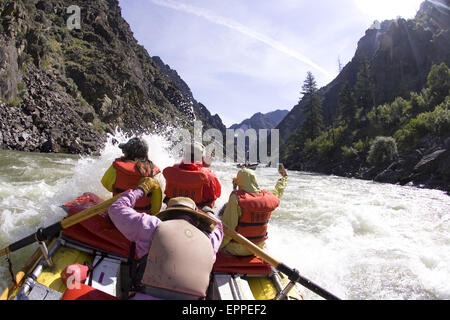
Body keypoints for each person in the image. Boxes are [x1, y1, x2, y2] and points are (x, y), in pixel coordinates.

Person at [107, 177, 224, 300]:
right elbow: (219, 227)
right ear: (196, 219)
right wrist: (209, 212)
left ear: (167, 214)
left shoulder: (152, 225)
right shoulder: (209, 241)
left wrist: (141, 190)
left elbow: (116, 208)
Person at [219, 165, 288, 256]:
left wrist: (218, 246)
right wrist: (284, 177)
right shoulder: (268, 196)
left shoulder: (236, 198)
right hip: (259, 247)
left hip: (238, 248)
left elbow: (228, 227)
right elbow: (278, 191)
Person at [101, 137, 162, 215]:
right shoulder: (153, 174)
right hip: (141, 218)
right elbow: (156, 207)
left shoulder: (116, 168)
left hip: (118, 215)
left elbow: (106, 185)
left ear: (127, 153)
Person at [163, 141, 221, 209]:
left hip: (172, 210)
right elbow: (216, 195)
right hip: (198, 214)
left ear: (184, 156)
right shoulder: (209, 176)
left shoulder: (173, 171)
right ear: (202, 158)